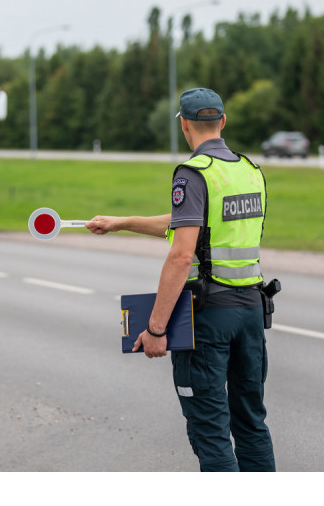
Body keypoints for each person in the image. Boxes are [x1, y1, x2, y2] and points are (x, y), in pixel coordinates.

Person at [86, 87, 275, 472]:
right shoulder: (249, 171)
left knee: (211, 433)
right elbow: (191, 225)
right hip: (252, 313)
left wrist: (156, 328)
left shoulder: (193, 174)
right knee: (252, 424)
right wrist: (122, 222)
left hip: (211, 319)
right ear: (222, 122)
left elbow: (182, 253)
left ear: (184, 125)